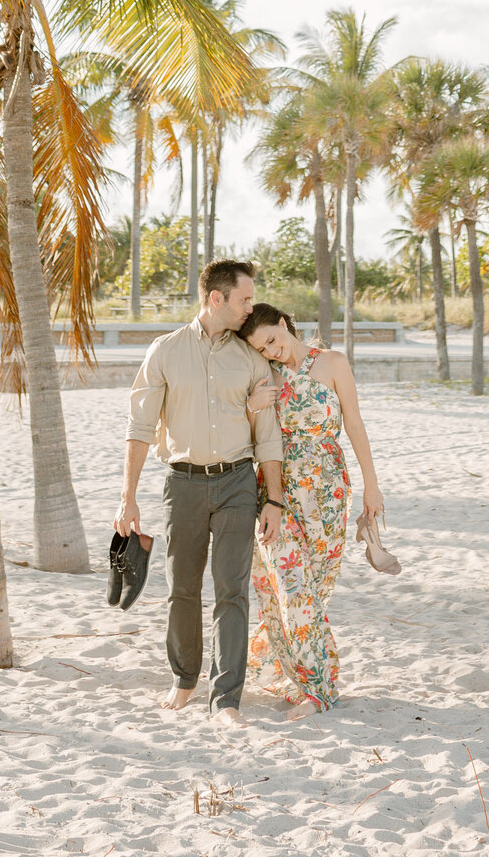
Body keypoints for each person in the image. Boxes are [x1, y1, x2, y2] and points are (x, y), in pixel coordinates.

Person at [115, 259, 285, 728]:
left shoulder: (252, 359)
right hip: (182, 483)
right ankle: (185, 678)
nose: (251, 307)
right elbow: (140, 427)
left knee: (232, 591)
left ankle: (226, 698)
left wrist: (273, 498)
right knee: (182, 589)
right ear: (217, 298)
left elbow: (268, 434)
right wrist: (127, 497)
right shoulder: (164, 351)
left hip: (236, 482)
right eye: (245, 299)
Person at [239, 302, 386, 719]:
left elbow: (355, 425)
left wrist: (371, 487)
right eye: (262, 349)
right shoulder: (263, 375)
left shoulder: (333, 363)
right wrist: (252, 406)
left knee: (315, 590)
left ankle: (300, 674)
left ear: (285, 325)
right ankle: (319, 687)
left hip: (327, 490)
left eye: (273, 340)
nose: (272, 351)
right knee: (288, 589)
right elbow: (249, 434)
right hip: (275, 493)